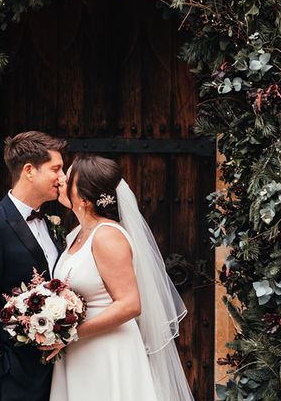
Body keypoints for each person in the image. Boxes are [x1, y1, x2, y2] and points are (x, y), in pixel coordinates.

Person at [48, 154, 194, 401]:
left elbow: (129, 304)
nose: (61, 180)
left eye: (68, 177)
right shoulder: (75, 235)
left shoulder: (107, 236)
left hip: (108, 350)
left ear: (84, 199)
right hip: (81, 351)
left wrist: (71, 334)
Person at [0, 131, 67, 401]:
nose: (63, 177)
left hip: (56, 371)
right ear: (29, 171)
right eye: (56, 169)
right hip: (14, 374)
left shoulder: (50, 223)